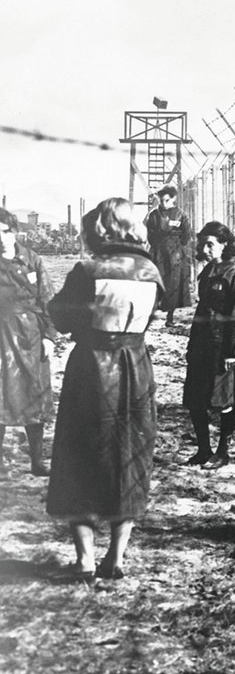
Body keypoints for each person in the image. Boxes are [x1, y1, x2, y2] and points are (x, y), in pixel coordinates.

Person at [46, 198, 162, 581]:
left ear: (104, 227)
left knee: (79, 455)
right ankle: (117, 555)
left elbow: (62, 318)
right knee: (131, 454)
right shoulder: (150, 270)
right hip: (136, 368)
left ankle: (84, 559)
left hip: (93, 369)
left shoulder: (87, 270)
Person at [182, 221, 235, 469]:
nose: (205, 249)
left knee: (224, 400)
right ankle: (203, 449)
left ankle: (222, 452)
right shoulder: (209, 271)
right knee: (195, 398)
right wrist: (192, 345)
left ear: (224, 245)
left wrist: (232, 351)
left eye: (211, 244)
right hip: (202, 342)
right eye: (203, 244)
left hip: (223, 347)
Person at [0, 208, 55, 476]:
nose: (1, 238)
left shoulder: (32, 260)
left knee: (35, 393)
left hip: (31, 336)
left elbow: (47, 301)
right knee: (0, 394)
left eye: (5, 231)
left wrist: (49, 336)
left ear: (14, 232)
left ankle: (37, 460)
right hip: (1, 336)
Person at [143, 185, 192, 327]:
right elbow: (149, 233)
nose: (164, 204)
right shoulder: (153, 215)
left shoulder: (180, 214)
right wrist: (158, 245)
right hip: (158, 252)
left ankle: (170, 317)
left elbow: (187, 234)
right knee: (155, 281)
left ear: (173, 199)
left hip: (175, 254)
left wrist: (176, 246)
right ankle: (149, 315)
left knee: (173, 283)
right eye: (161, 201)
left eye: (167, 200)